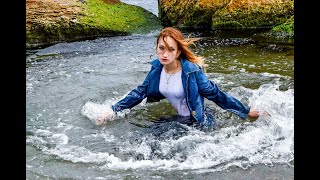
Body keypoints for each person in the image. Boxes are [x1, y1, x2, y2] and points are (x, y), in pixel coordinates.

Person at [96, 27, 260, 126]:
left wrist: (245, 111)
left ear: (179, 51)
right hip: (178, 119)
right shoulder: (156, 70)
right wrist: (111, 111)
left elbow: (216, 94)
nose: (165, 54)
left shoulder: (192, 72)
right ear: (156, 48)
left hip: (196, 122)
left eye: (171, 49)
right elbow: (139, 93)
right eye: (161, 48)